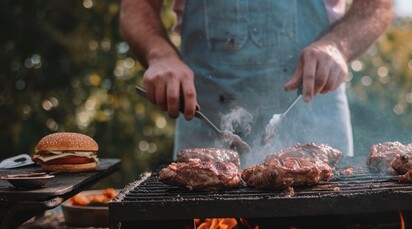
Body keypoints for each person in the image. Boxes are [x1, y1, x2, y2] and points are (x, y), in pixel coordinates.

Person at [120, 0, 393, 158]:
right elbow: (137, 7)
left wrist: (338, 46)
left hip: (313, 119)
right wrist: (160, 55)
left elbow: (375, 7)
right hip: (207, 128)